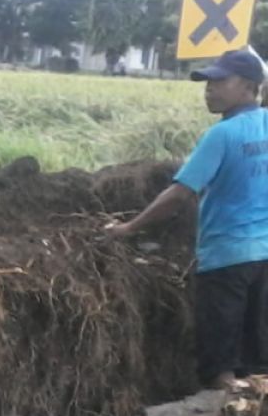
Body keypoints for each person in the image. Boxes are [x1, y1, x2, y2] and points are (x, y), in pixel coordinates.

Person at [106, 49, 268, 390]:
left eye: (221, 81)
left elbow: (180, 194)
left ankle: (222, 409)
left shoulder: (221, 135)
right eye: (208, 82)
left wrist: (127, 228)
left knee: (219, 357)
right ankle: (251, 400)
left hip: (226, 256)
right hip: (262, 254)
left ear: (250, 86)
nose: (210, 89)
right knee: (255, 348)